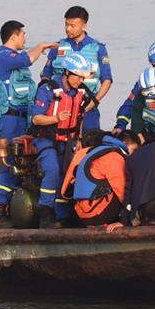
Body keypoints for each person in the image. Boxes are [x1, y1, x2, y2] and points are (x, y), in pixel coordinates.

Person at [0, 20, 57, 227]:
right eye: (23, 34)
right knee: (11, 165)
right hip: (10, 119)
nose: (25, 38)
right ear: (14, 36)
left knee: (26, 164)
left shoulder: (15, 60)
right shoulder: (2, 58)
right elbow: (29, 58)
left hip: (24, 119)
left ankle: (23, 210)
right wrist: (42, 46)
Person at [31, 52, 93, 228]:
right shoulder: (49, 89)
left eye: (83, 77)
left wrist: (79, 139)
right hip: (47, 140)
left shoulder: (79, 92)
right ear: (67, 73)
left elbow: (79, 117)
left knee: (68, 174)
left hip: (69, 141)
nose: (81, 81)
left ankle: (64, 216)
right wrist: (56, 118)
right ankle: (46, 213)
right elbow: (36, 119)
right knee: (52, 170)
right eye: (79, 77)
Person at [42, 6, 112, 132]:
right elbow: (45, 76)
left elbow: (107, 80)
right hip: (61, 106)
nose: (68, 29)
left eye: (73, 25)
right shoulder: (57, 47)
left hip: (88, 106)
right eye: (66, 25)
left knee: (89, 143)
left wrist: (94, 102)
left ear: (84, 25)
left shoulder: (98, 49)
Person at [62, 131, 141, 227]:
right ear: (124, 143)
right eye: (134, 150)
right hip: (97, 214)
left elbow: (65, 191)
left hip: (80, 212)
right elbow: (122, 192)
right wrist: (131, 217)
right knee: (127, 190)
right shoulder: (115, 156)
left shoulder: (86, 152)